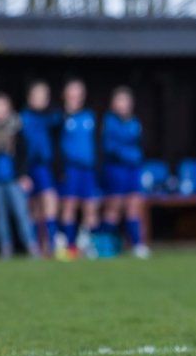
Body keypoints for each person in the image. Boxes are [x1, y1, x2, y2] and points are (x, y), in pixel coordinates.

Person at [0, 92, 41, 259]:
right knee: (1, 217)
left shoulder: (17, 128)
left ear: (8, 110)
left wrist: (23, 175)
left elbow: (23, 155)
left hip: (14, 179)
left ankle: (31, 247)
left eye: (2, 108)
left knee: (22, 214)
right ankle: (5, 249)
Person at [100, 85, 150, 258]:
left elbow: (139, 146)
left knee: (134, 206)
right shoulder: (109, 122)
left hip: (133, 170)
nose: (124, 105)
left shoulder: (135, 123)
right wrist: (129, 155)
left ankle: (137, 244)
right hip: (116, 169)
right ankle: (106, 244)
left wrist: (134, 157)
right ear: (113, 104)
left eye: (126, 101)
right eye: (120, 101)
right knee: (114, 207)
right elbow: (110, 147)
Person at [58, 78, 100, 258]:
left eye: (79, 93)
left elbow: (97, 143)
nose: (75, 97)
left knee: (91, 207)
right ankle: (69, 245)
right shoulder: (60, 118)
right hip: (70, 169)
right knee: (69, 205)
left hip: (88, 169)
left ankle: (85, 242)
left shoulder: (90, 116)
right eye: (72, 93)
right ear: (65, 95)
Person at [20, 80, 61, 254]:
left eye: (43, 97)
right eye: (36, 96)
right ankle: (36, 245)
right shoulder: (22, 118)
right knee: (34, 207)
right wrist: (21, 172)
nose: (39, 100)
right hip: (29, 167)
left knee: (50, 201)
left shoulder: (52, 117)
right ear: (30, 98)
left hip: (45, 166)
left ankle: (51, 243)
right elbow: (18, 147)